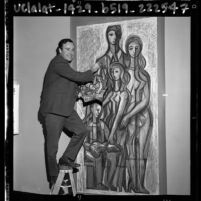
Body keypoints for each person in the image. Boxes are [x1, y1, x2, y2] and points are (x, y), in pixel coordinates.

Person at [38, 38, 99, 189]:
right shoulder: (58, 63)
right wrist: (92, 70)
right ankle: (53, 179)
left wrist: (85, 92)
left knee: (82, 130)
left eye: (72, 49)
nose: (70, 52)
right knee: (52, 149)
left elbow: (72, 86)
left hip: (65, 110)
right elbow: (78, 77)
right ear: (60, 50)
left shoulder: (65, 69)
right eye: (67, 49)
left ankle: (66, 159)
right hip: (53, 111)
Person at [120, 35, 153, 194]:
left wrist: (127, 115)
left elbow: (145, 101)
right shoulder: (122, 74)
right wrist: (123, 116)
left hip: (143, 116)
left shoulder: (144, 75)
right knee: (130, 153)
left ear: (140, 49)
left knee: (141, 153)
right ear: (127, 49)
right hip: (127, 117)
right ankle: (133, 183)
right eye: (131, 48)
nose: (133, 51)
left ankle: (139, 184)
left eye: (136, 48)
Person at [101, 62, 130, 191]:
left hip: (119, 129)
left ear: (122, 73)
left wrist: (112, 133)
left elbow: (118, 116)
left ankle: (114, 184)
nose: (114, 74)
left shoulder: (124, 94)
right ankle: (107, 183)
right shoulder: (112, 92)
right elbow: (100, 104)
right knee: (109, 156)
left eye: (116, 71)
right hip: (109, 125)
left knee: (116, 157)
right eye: (112, 72)